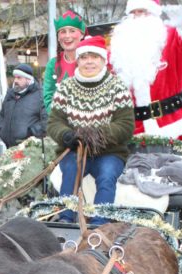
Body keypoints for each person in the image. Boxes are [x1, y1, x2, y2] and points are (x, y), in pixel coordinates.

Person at [47, 36, 134, 223]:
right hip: (75, 149)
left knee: (107, 175)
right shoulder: (66, 88)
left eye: (94, 57)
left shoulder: (117, 87)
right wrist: (66, 135)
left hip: (109, 152)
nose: (89, 62)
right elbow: (54, 122)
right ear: (78, 60)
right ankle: (65, 218)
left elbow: (126, 125)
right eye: (84, 57)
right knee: (71, 170)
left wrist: (97, 135)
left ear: (103, 60)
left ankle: (100, 225)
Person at [110, 0, 182, 139]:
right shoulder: (118, 47)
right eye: (133, 12)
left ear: (153, 13)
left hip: (170, 125)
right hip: (131, 128)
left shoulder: (171, 36)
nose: (137, 16)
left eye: (142, 11)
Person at [43, 10, 86, 113]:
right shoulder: (52, 65)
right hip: (61, 125)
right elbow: (48, 98)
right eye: (63, 32)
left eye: (72, 31)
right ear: (58, 37)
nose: (67, 36)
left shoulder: (91, 60)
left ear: (81, 34)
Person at [0, 63, 47, 148]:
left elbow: (46, 121)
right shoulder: (10, 94)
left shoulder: (40, 95)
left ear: (28, 80)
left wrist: (30, 133)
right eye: (15, 77)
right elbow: (2, 115)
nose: (15, 80)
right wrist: (2, 131)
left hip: (30, 149)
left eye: (19, 78)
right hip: (9, 148)